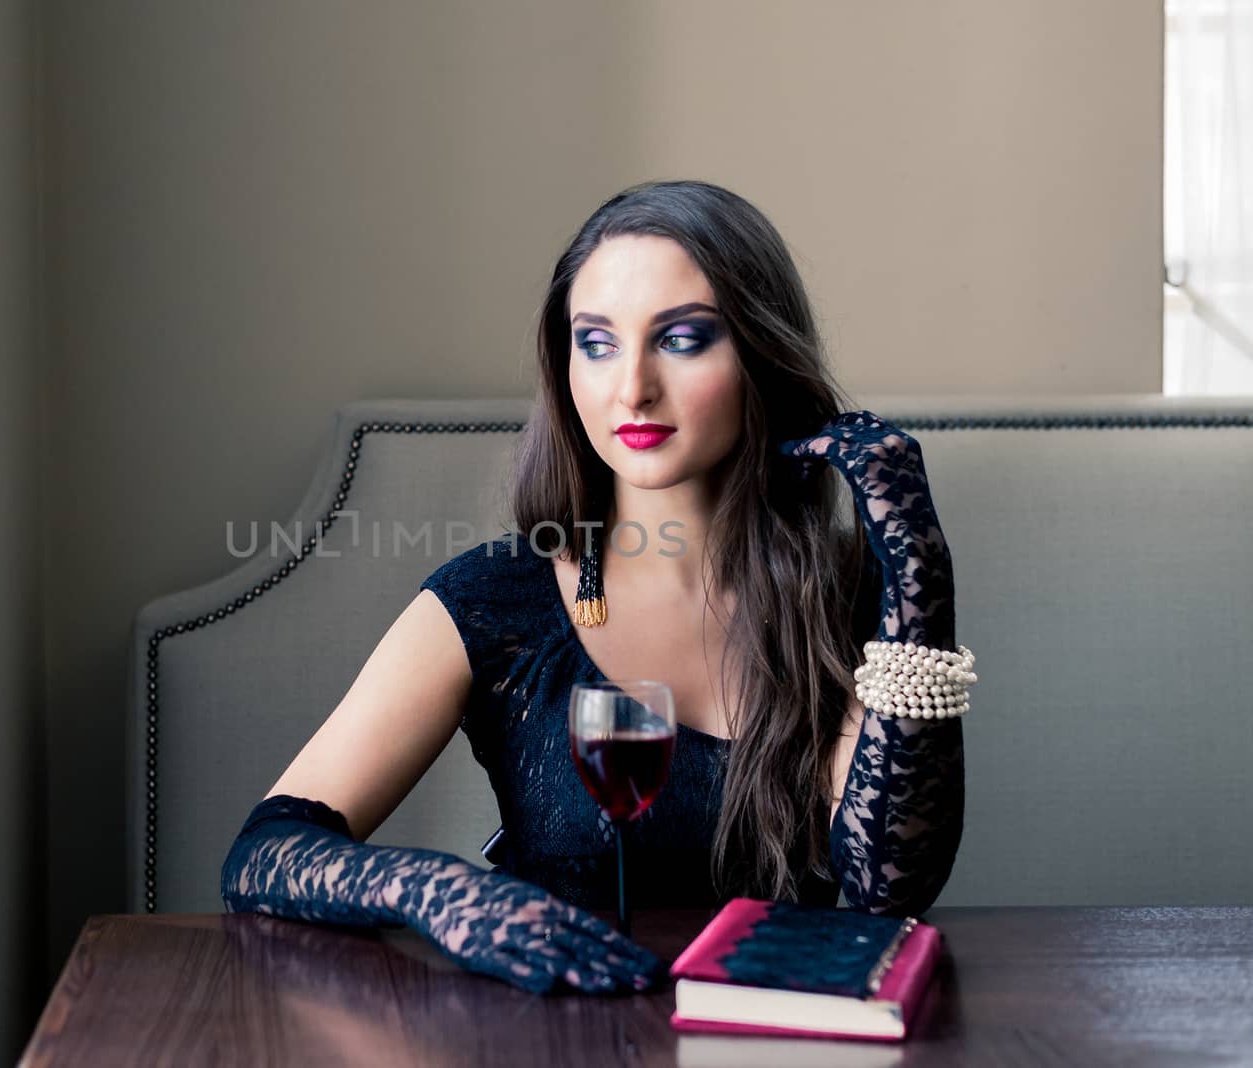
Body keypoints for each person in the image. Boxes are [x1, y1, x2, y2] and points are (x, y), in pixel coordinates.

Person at [220, 179, 967, 996]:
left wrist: (917, 560)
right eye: (597, 341)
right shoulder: (494, 600)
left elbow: (884, 891)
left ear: (760, 352)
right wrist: (440, 894)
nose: (632, 387)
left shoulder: (851, 598)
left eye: (683, 339)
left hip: (787, 1043)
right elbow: (264, 853)